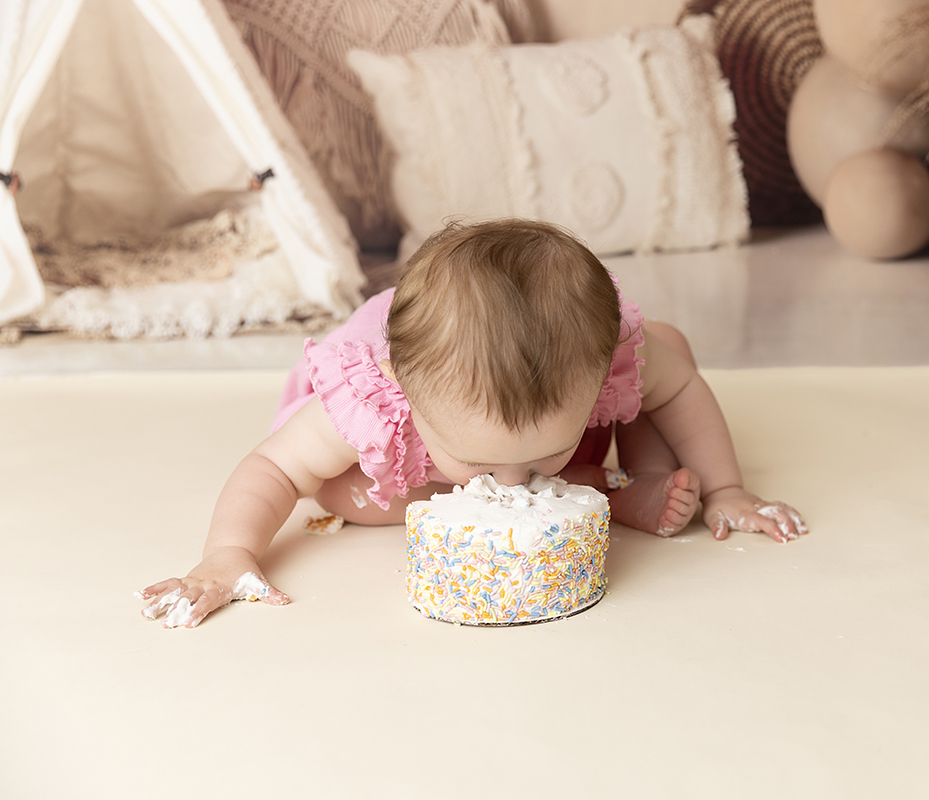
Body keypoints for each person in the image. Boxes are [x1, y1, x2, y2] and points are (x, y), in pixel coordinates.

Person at [139, 219, 806, 628]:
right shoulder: (375, 398)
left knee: (669, 350)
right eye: (486, 467)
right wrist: (229, 555)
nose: (515, 487)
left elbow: (680, 383)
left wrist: (726, 490)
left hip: (521, 411)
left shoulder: (602, 355)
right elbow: (275, 468)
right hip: (393, 469)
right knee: (350, 494)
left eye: (540, 461)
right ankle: (597, 485)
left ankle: (645, 478)